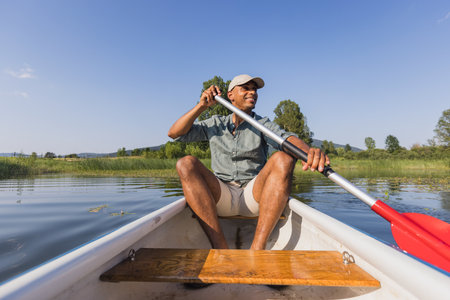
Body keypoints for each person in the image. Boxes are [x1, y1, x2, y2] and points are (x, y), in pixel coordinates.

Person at [168, 74, 329, 250]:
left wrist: (309, 152)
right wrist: (201, 106)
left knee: (283, 158)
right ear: (231, 95)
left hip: (254, 196)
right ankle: (220, 247)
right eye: (246, 88)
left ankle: (257, 249)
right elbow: (175, 133)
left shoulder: (261, 123)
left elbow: (286, 139)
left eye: (254, 89)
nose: (252, 92)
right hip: (222, 195)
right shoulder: (215, 123)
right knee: (185, 163)